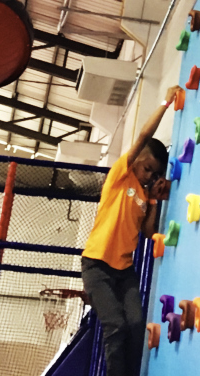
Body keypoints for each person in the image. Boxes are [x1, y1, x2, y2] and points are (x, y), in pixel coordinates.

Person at [80, 88, 179, 376]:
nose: (149, 176)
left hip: (124, 271)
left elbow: (148, 231)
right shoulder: (120, 176)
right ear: (136, 160)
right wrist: (165, 103)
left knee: (136, 324)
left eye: (155, 174)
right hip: (97, 266)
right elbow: (143, 136)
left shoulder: (144, 194)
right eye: (147, 169)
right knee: (115, 325)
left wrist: (155, 201)